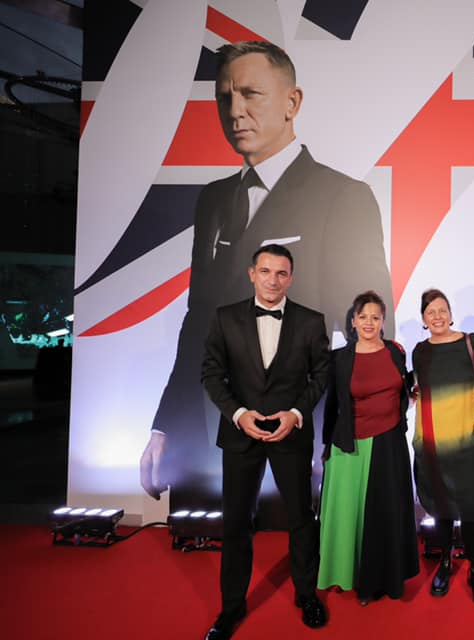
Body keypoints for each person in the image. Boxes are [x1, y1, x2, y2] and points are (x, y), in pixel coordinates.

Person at [139, 40, 393, 511]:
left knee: (295, 536)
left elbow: (368, 329)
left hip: (299, 421)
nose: (235, 111)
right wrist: (166, 422)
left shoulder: (343, 196)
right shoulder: (213, 199)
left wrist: (340, 430)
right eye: (225, 97)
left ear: (292, 103)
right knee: (216, 541)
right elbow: (199, 320)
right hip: (213, 421)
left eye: (251, 94)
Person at [200, 244, 330, 639]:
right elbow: (211, 374)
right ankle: (231, 607)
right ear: (252, 274)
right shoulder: (225, 318)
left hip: (291, 434)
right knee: (236, 522)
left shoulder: (311, 321)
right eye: (266, 271)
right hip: (241, 434)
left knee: (301, 519)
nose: (273, 280)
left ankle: (306, 594)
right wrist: (238, 414)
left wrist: (296, 414)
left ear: (291, 278)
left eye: (281, 273)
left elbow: (321, 374)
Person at [317, 291, 419, 605]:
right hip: (350, 446)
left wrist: (412, 392)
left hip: (390, 443)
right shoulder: (339, 359)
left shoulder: (395, 351)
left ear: (383, 321)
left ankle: (385, 579)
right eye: (363, 317)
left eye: (375, 317)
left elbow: (401, 387)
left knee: (386, 515)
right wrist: (327, 445)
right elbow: (332, 405)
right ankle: (355, 578)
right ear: (353, 321)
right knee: (351, 517)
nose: (369, 323)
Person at [411, 289, 474, 608]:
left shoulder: (469, 343)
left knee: (471, 511)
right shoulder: (420, 351)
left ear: (450, 313)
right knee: (442, 510)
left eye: (442, 310)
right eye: (430, 312)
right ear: (423, 319)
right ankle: (445, 564)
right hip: (432, 443)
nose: (437, 316)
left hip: (466, 441)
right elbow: (419, 388)